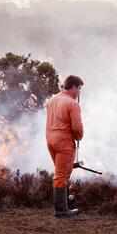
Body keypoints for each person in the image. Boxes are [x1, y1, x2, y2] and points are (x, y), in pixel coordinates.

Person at [46, 75, 84, 217]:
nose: (79, 92)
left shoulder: (52, 99)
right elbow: (77, 127)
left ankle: (64, 201)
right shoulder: (72, 104)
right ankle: (61, 210)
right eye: (79, 88)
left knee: (60, 172)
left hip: (50, 140)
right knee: (62, 175)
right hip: (63, 142)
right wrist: (79, 136)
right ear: (73, 86)